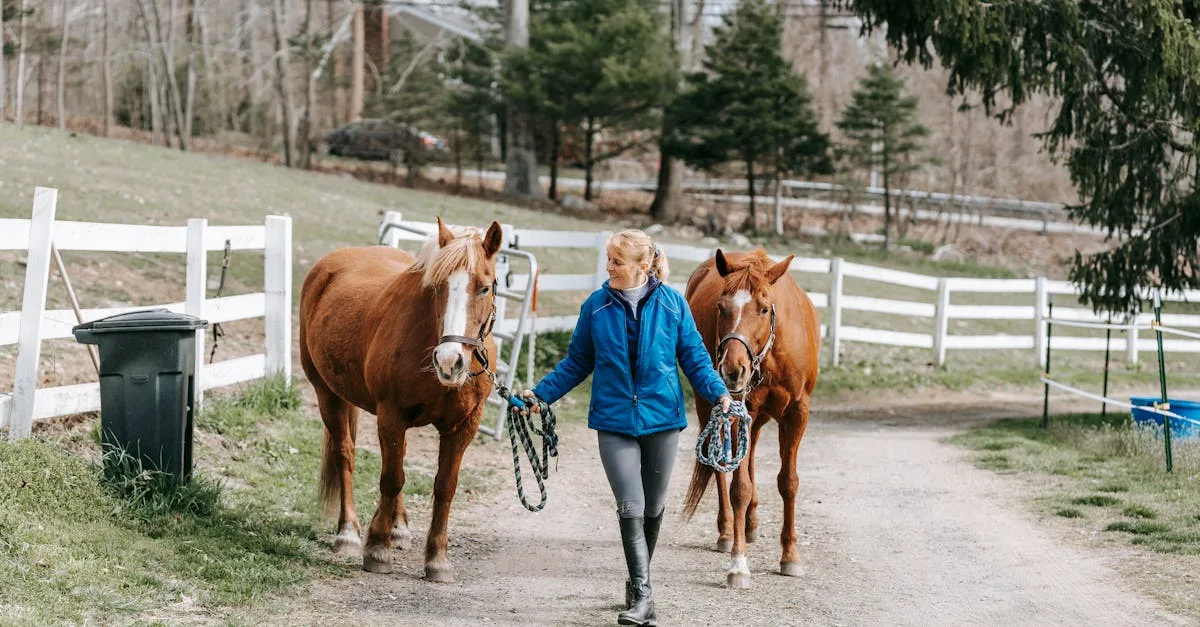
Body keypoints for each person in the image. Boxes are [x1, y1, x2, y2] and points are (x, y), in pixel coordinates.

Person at [522, 229, 731, 626]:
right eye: (609, 259)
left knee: (653, 507)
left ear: (643, 266)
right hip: (614, 419)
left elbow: (696, 360)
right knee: (631, 504)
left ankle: (637, 585)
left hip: (662, 420)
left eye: (617, 261)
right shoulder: (596, 307)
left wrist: (719, 394)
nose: (609, 267)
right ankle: (645, 598)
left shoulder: (673, 306)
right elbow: (576, 362)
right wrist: (540, 395)